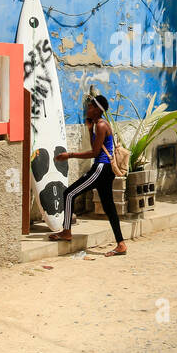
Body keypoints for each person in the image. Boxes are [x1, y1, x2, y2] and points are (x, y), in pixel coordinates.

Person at [48, 94, 127, 254]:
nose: (88, 109)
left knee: (69, 194)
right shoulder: (98, 124)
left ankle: (66, 231)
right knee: (109, 207)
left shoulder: (102, 125)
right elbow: (95, 147)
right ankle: (121, 244)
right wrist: (90, 129)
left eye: (90, 107)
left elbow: (94, 153)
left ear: (98, 110)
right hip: (105, 170)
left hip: (101, 168)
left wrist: (69, 155)